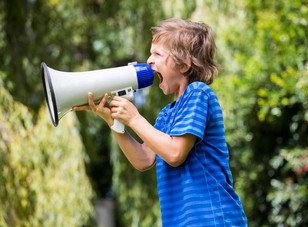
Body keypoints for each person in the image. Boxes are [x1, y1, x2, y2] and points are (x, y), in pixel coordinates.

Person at [73, 18, 248, 226]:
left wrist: (135, 118)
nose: (148, 60)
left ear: (184, 65)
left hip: (213, 218)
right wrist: (112, 119)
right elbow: (144, 159)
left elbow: (175, 154)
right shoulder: (166, 115)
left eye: (157, 54)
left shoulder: (198, 93)